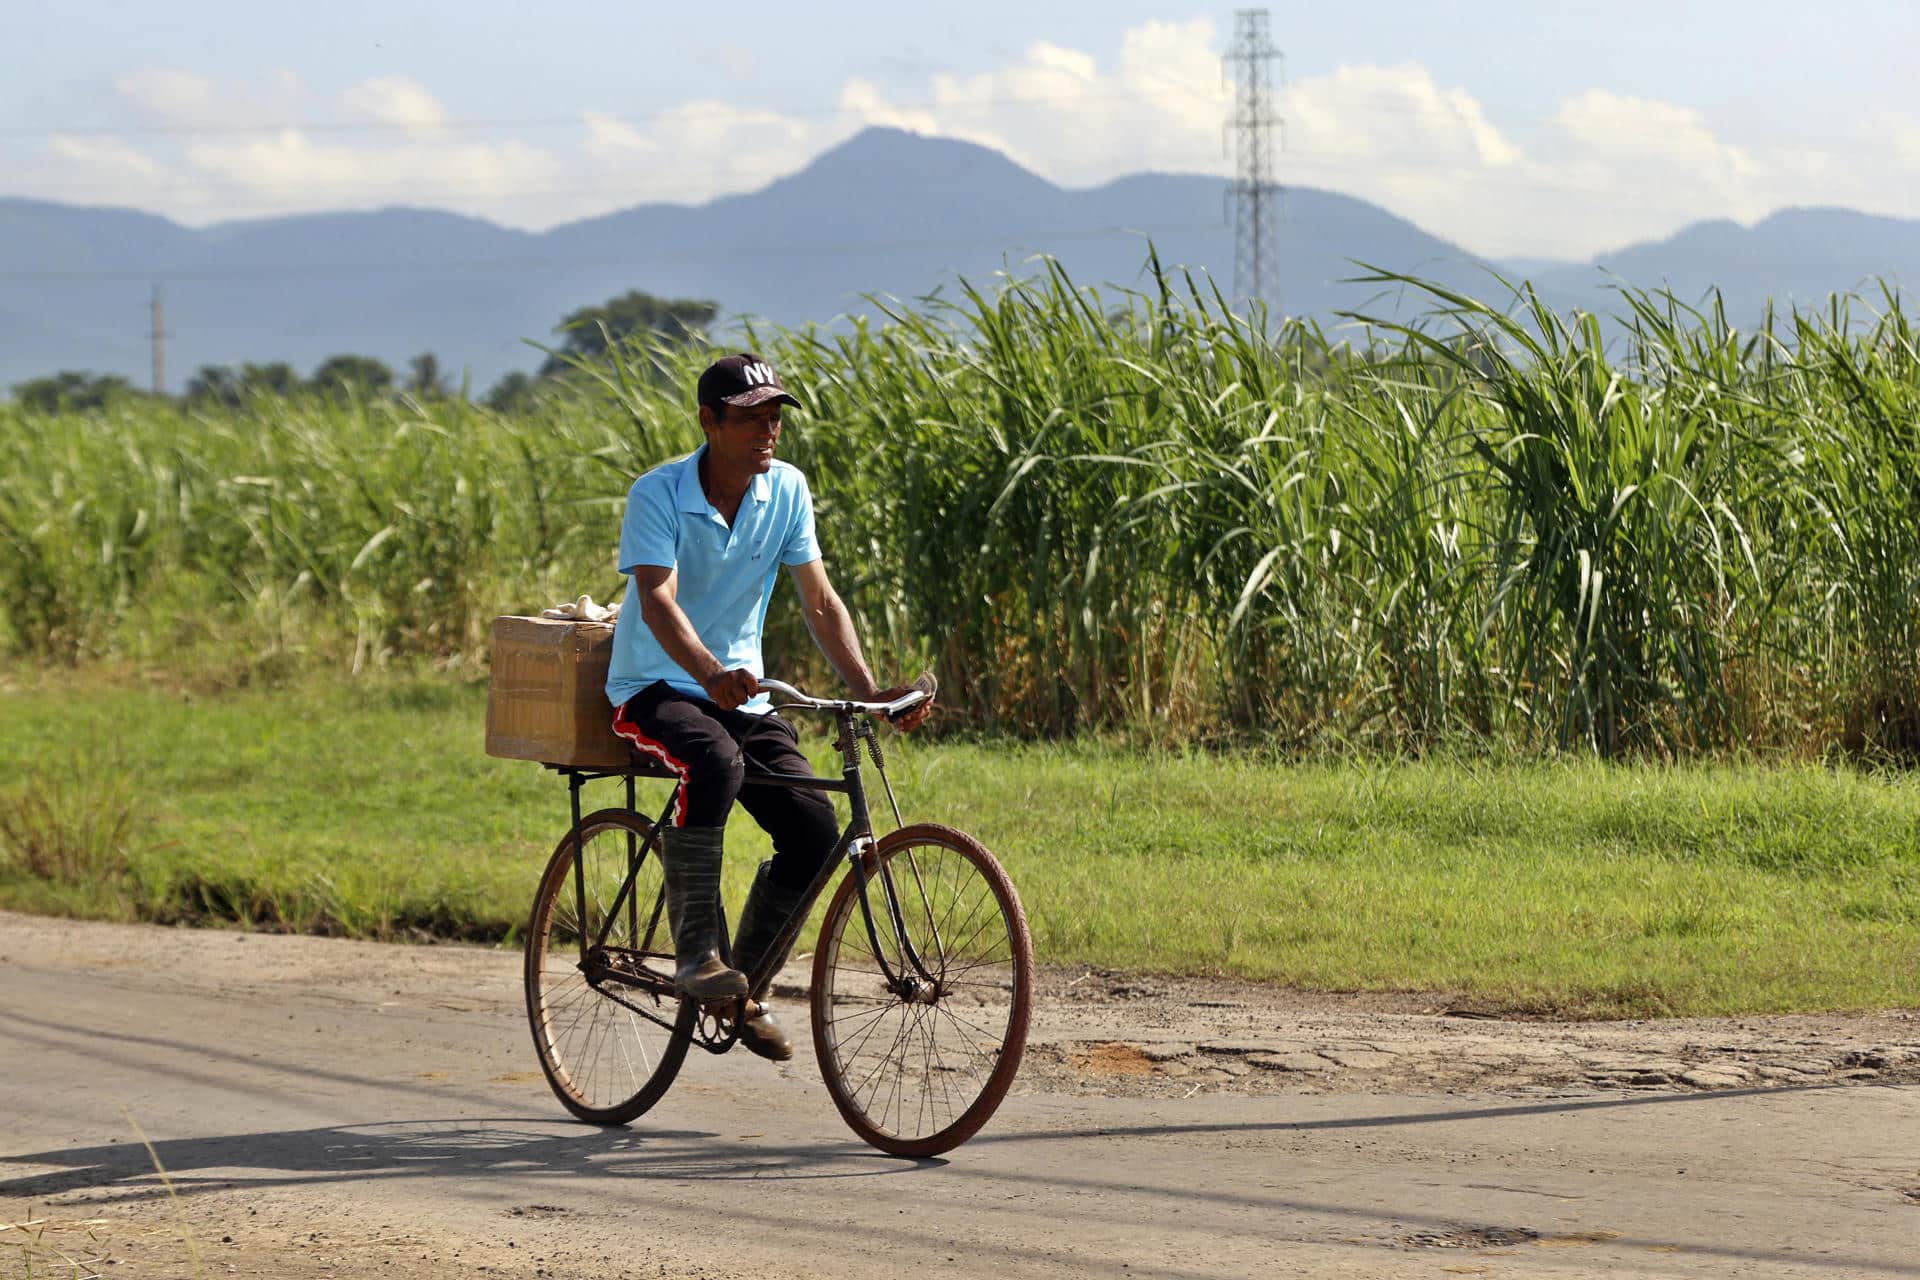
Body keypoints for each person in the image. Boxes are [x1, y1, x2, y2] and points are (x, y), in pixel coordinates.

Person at [604, 351, 931, 1061]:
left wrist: (870, 689)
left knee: (816, 830)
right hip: (657, 687)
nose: (768, 430)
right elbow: (656, 600)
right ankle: (697, 956)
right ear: (709, 421)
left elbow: (819, 599)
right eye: (751, 417)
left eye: (775, 416)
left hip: (741, 695)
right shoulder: (658, 493)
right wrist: (710, 670)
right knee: (713, 763)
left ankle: (739, 989)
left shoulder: (785, 491)